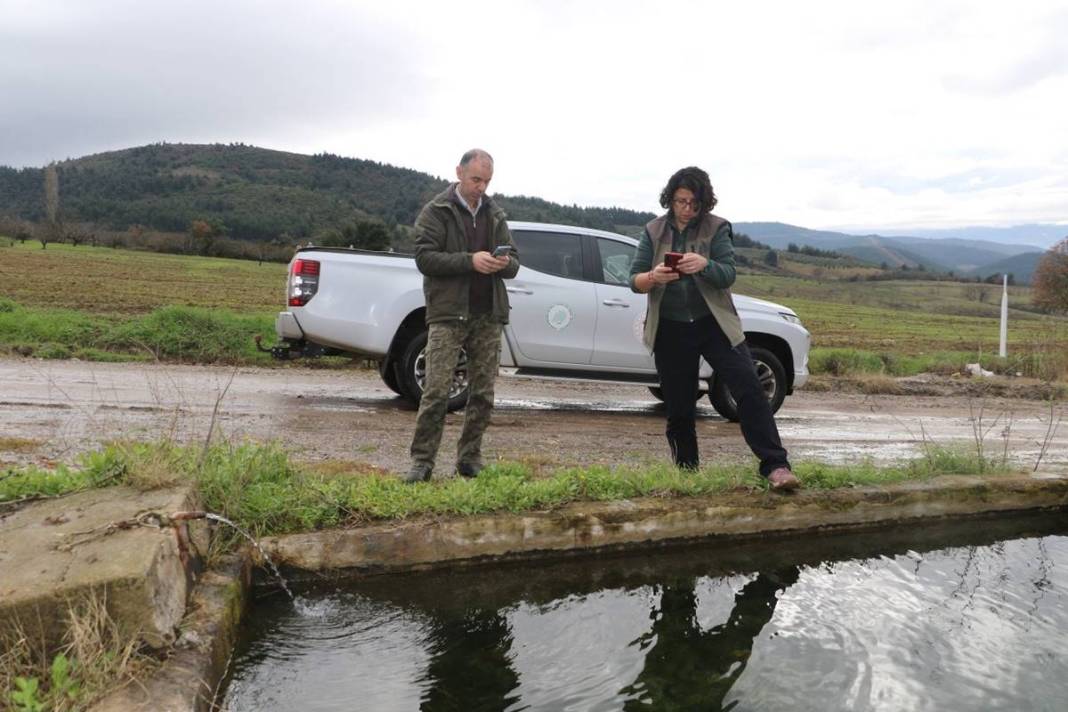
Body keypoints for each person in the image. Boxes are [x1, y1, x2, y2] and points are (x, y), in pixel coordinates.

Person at [629, 166, 799, 491]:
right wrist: (654, 277)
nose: (687, 209)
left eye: (694, 203)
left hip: (714, 324)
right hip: (670, 327)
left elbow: (728, 274)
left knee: (749, 389)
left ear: (704, 202)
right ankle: (688, 476)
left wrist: (706, 266)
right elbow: (634, 280)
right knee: (679, 406)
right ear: (670, 199)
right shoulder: (652, 230)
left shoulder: (718, 227)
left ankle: (776, 467)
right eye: (681, 201)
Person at [404, 149, 519, 483]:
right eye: (476, 179)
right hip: (448, 314)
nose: (481, 187)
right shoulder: (436, 211)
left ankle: (469, 458)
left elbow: (514, 263)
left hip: (488, 314)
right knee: (437, 390)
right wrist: (470, 261)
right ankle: (422, 462)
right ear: (459, 172)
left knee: (482, 394)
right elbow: (425, 258)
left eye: (486, 181)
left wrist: (501, 263)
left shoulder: (495, 214)